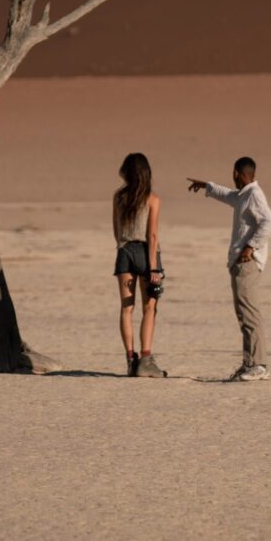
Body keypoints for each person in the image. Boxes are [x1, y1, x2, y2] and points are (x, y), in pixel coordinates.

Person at [188, 156, 271, 381]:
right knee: (243, 313)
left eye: (234, 173)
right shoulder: (243, 195)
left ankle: (258, 365)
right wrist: (207, 186)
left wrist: (250, 247)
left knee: (249, 312)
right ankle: (250, 363)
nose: (233, 177)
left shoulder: (254, 195)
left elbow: (269, 223)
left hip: (248, 263)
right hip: (240, 263)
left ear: (237, 173)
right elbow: (228, 195)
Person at [112, 153, 167, 378]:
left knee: (127, 308)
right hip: (145, 254)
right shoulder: (152, 199)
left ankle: (130, 359)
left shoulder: (119, 197)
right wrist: (153, 268)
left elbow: (116, 230)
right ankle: (146, 359)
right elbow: (152, 235)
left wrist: (124, 247)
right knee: (149, 308)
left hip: (124, 252)